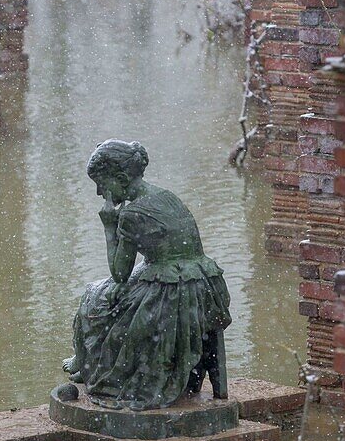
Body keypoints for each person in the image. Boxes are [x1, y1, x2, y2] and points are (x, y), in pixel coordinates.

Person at [63, 140, 231, 410]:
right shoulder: (167, 196)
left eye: (101, 185)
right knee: (110, 293)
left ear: (121, 178)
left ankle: (88, 363)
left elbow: (119, 273)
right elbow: (164, 251)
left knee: (94, 297)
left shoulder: (130, 214)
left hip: (169, 295)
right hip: (204, 286)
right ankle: (84, 359)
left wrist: (109, 227)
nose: (98, 192)